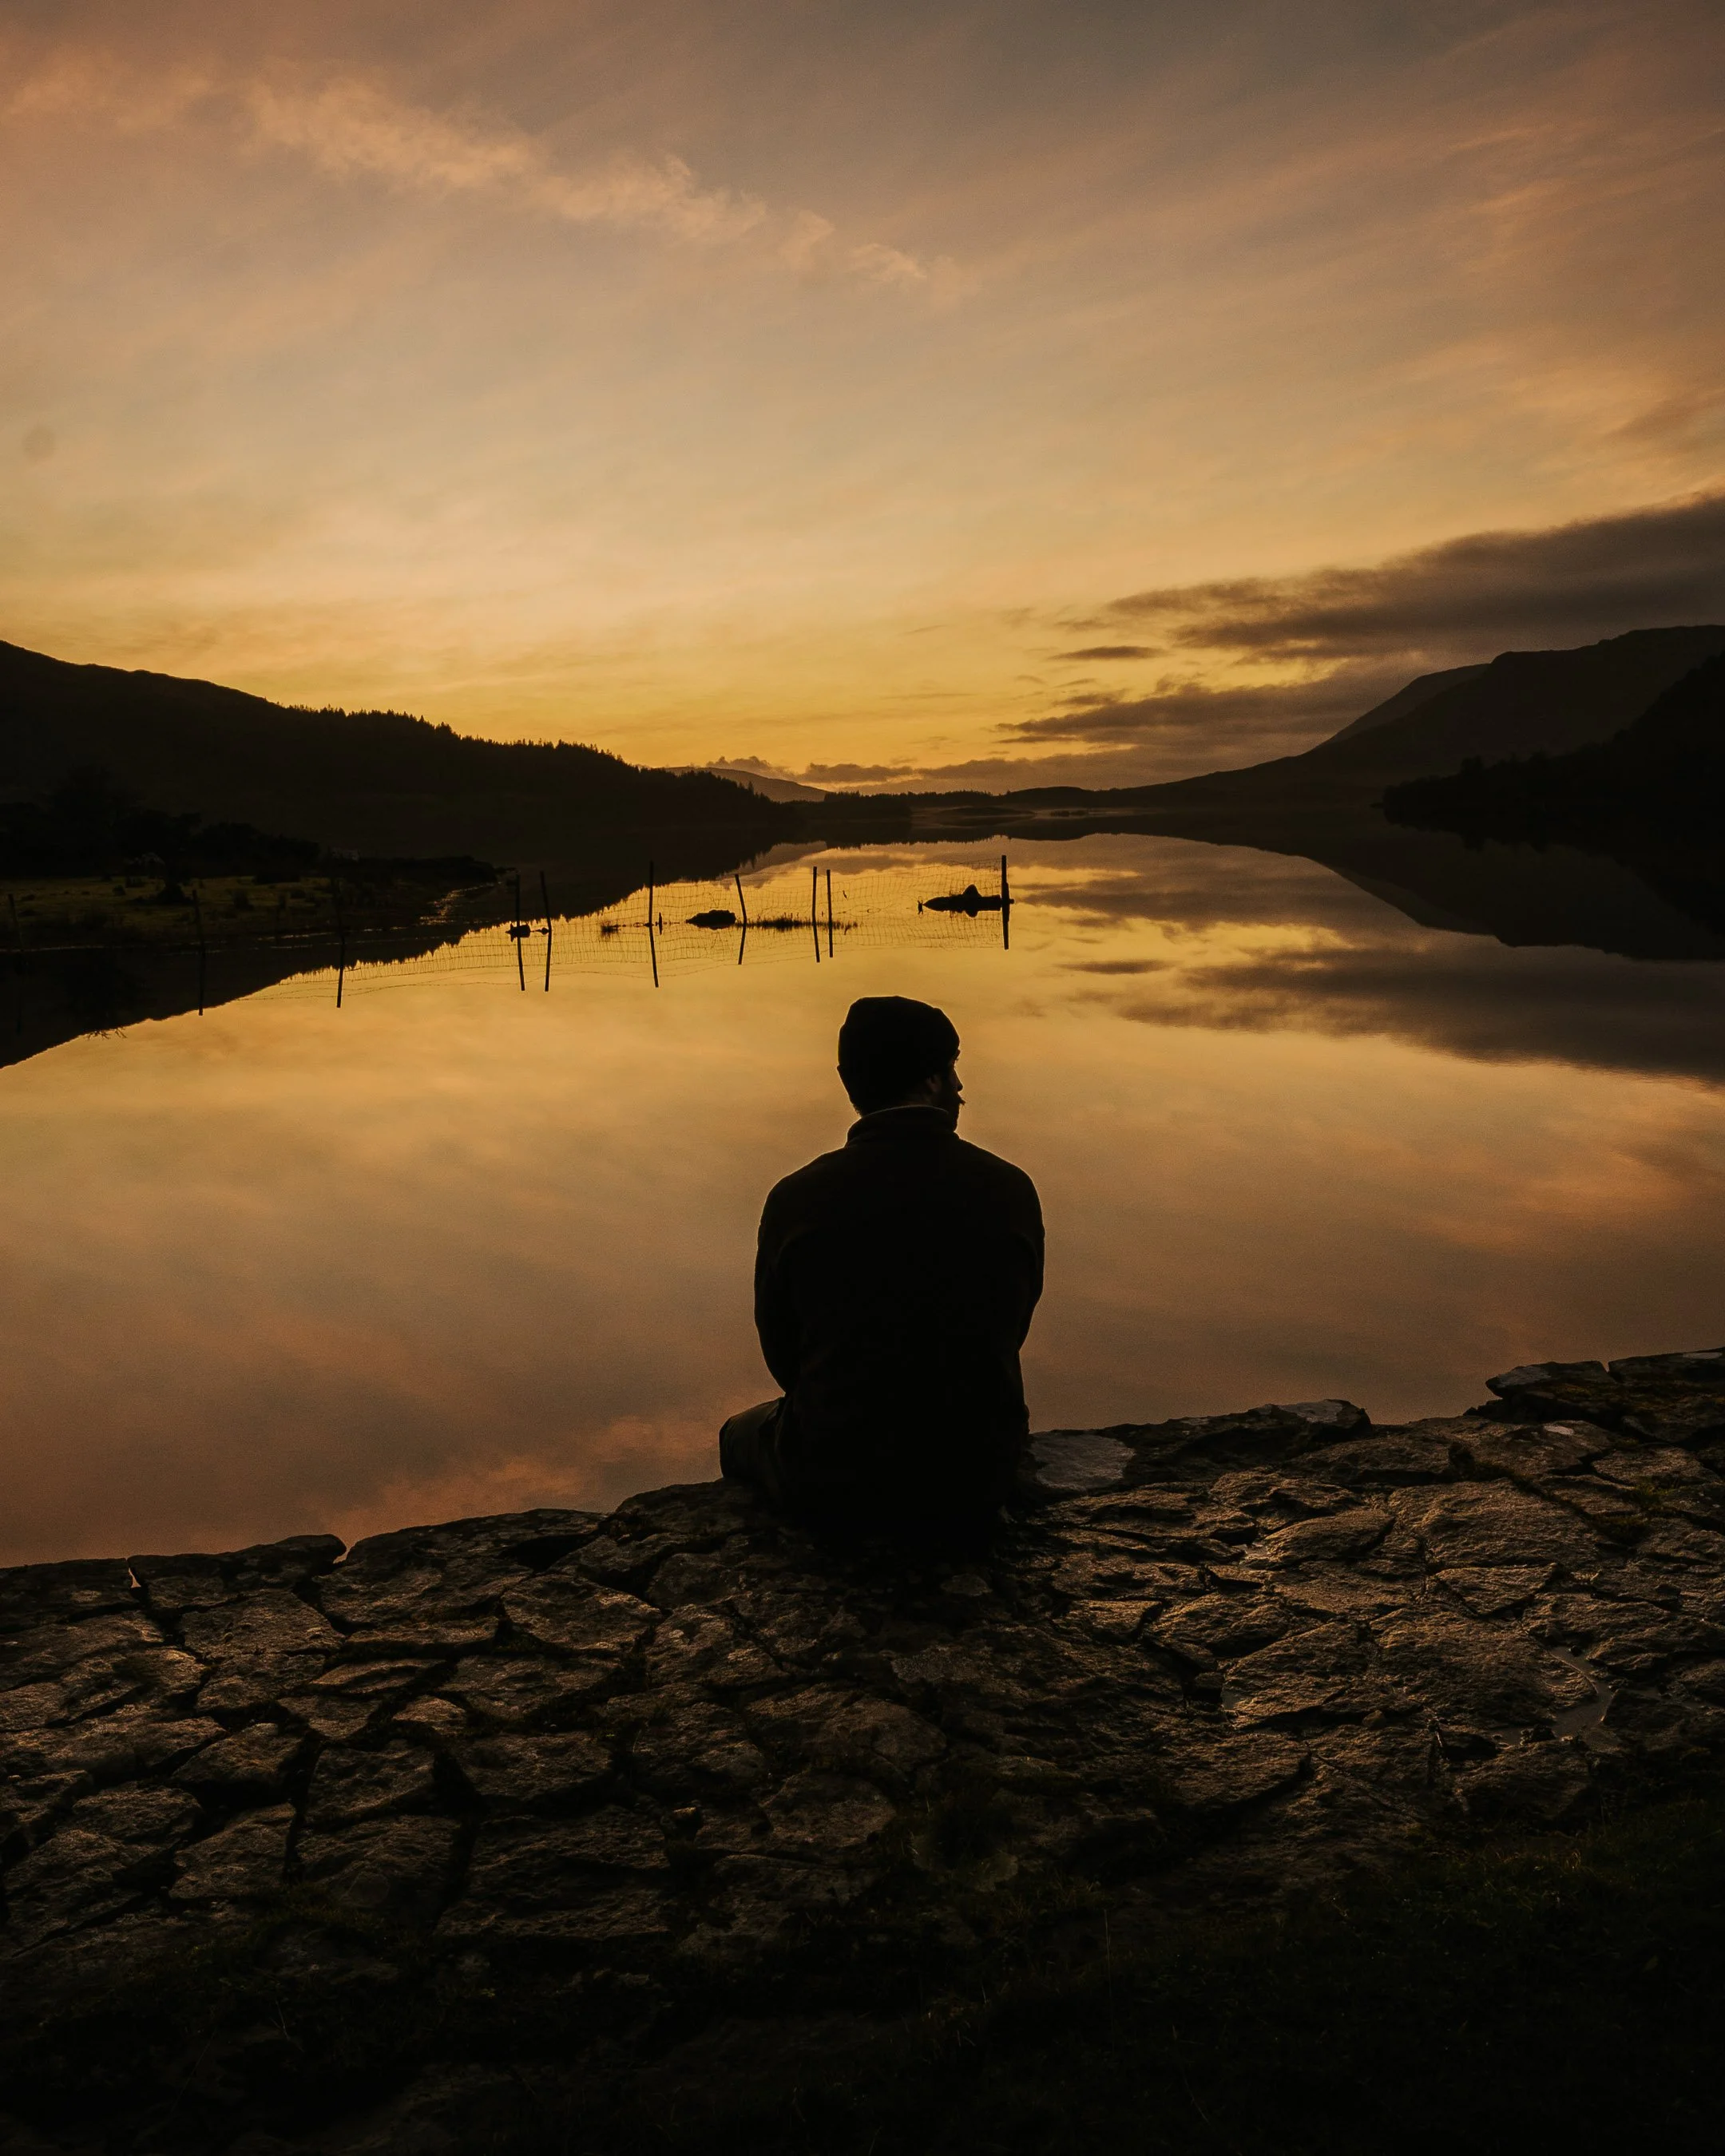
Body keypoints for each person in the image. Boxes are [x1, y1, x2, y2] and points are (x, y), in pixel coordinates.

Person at [720, 995, 1044, 1535]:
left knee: (737, 1433)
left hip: (835, 1478)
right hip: (977, 1473)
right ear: (934, 1082)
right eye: (953, 1069)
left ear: (849, 1080)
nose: (961, 1087)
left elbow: (784, 1357)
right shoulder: (1009, 1188)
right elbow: (1010, 1331)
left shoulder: (797, 1198)